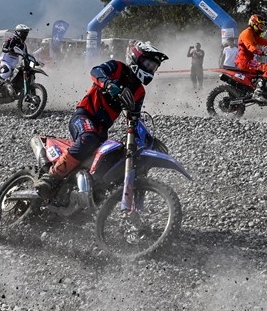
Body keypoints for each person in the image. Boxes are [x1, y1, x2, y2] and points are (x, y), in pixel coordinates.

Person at [35, 41, 169, 198]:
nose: (150, 69)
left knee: (110, 158)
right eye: (148, 63)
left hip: (102, 129)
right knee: (88, 139)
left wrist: (149, 140)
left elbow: (134, 117)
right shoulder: (117, 67)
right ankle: (50, 177)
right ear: (136, 58)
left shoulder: (139, 91)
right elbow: (95, 71)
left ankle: (82, 194)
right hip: (84, 116)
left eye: (153, 67)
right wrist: (108, 83)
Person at [0, 24, 33, 94]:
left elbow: (26, 55)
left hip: (14, 64)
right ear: (19, 32)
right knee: (7, 71)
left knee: (23, 73)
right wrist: (9, 49)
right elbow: (4, 48)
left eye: (26, 33)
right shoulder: (11, 39)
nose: (25, 35)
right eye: (24, 33)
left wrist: (35, 61)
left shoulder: (23, 45)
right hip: (5, 61)